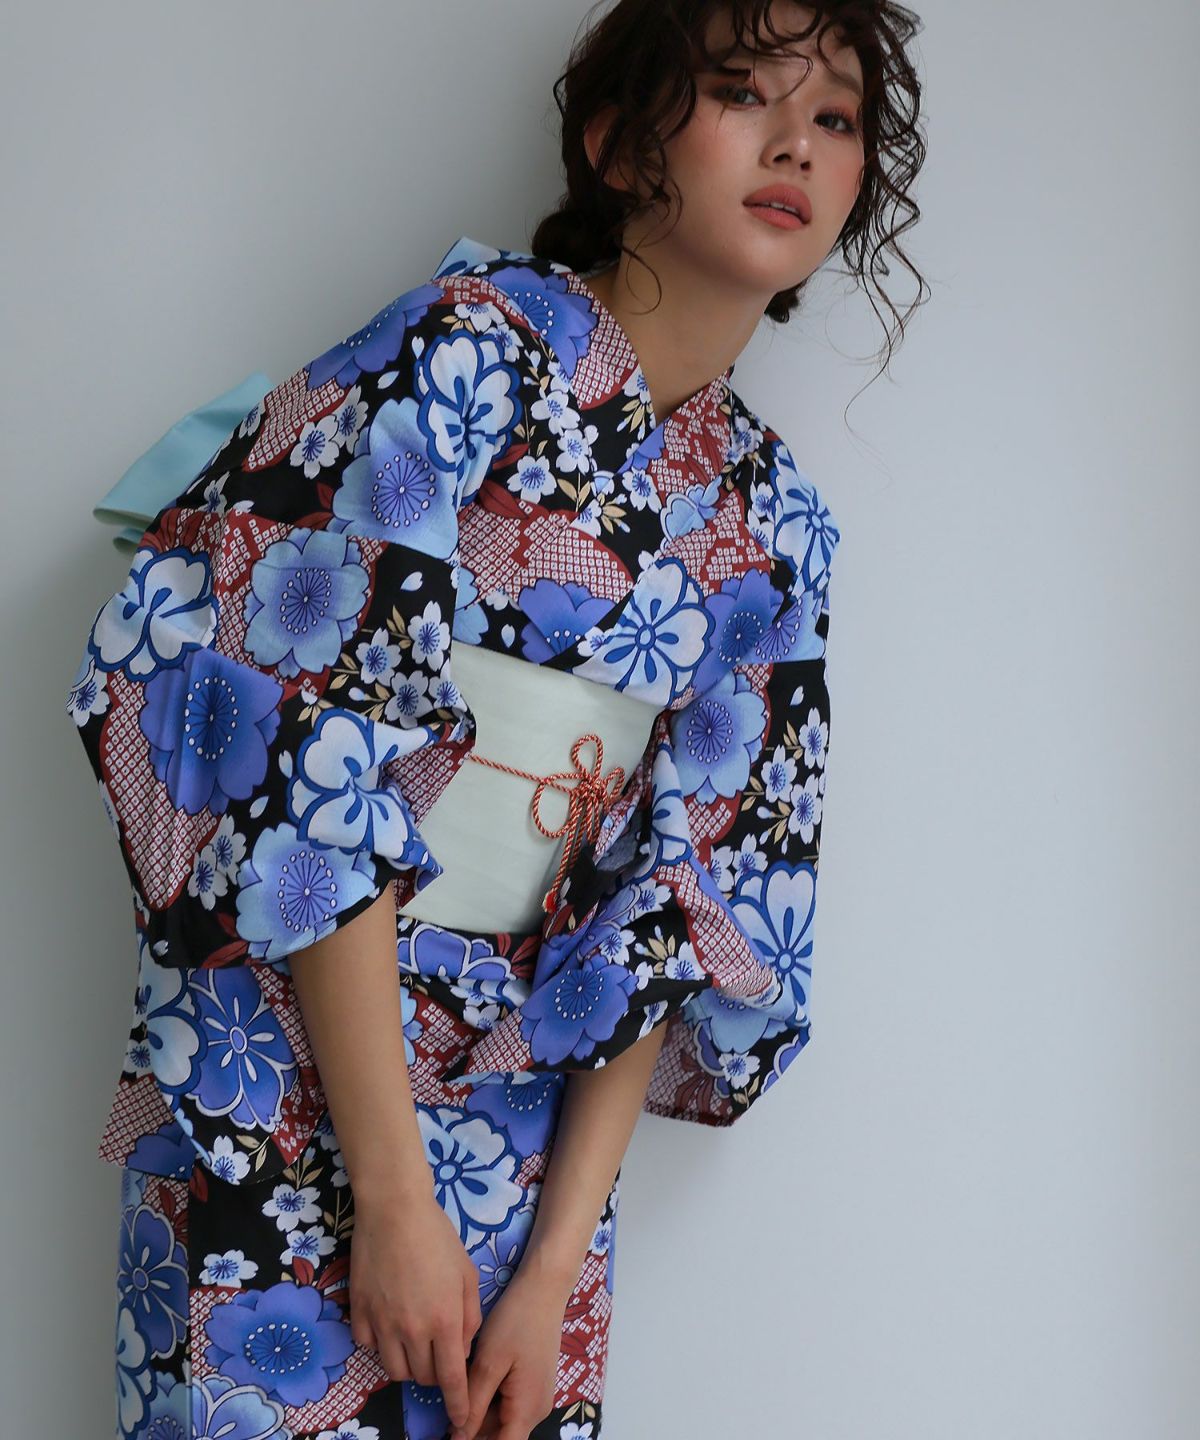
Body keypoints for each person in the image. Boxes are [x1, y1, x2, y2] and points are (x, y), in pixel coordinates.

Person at [68, 3, 927, 1436]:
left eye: (835, 117)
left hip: (528, 1132)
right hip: (291, 1061)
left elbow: (684, 900)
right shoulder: (466, 353)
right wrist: (393, 1197)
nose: (795, 143)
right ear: (619, 144)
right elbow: (311, 743)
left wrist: (552, 1272)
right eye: (740, 91)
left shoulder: (775, 522)